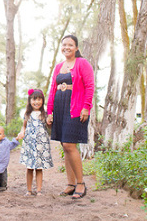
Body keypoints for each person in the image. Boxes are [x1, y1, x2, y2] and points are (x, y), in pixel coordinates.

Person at [46, 34, 95, 199]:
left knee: (70, 144)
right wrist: (50, 111)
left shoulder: (82, 63)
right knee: (65, 146)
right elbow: (53, 88)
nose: (66, 47)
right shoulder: (59, 66)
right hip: (60, 107)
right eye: (64, 44)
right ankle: (70, 184)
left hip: (76, 108)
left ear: (76, 48)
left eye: (70, 45)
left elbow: (89, 86)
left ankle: (81, 183)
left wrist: (86, 107)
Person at [17, 88, 54, 196]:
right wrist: (21, 133)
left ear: (42, 101)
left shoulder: (44, 113)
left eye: (39, 99)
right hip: (29, 144)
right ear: (30, 101)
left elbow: (49, 126)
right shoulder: (27, 114)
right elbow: (24, 127)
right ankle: (29, 190)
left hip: (41, 144)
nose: (36, 102)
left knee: (39, 168)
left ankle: (39, 190)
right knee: (29, 167)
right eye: (34, 99)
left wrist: (50, 121)